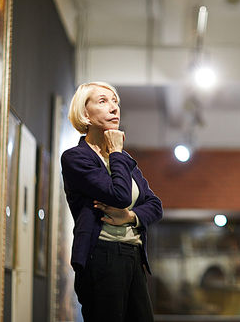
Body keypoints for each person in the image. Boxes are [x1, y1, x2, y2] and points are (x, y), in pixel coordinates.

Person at [61, 81, 163, 322]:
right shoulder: (76, 158)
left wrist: (129, 217)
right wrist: (116, 151)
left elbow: (155, 206)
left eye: (115, 101)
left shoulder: (123, 160)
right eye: (103, 101)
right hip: (102, 256)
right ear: (84, 113)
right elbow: (120, 195)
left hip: (134, 256)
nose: (114, 108)